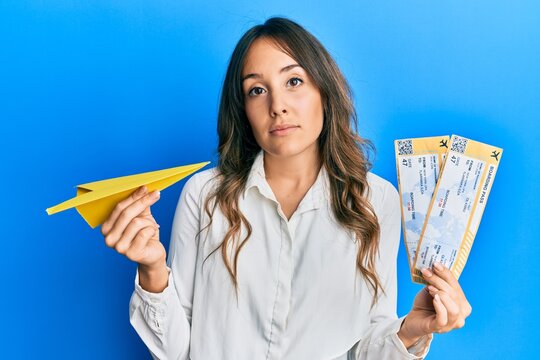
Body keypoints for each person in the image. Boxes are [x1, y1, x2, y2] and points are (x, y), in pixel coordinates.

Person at [100, 17, 471, 360]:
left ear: (324, 91)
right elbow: (175, 351)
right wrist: (152, 269)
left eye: (294, 81)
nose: (277, 106)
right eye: (257, 90)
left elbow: (366, 349)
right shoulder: (205, 195)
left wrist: (411, 331)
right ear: (243, 109)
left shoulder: (376, 202)